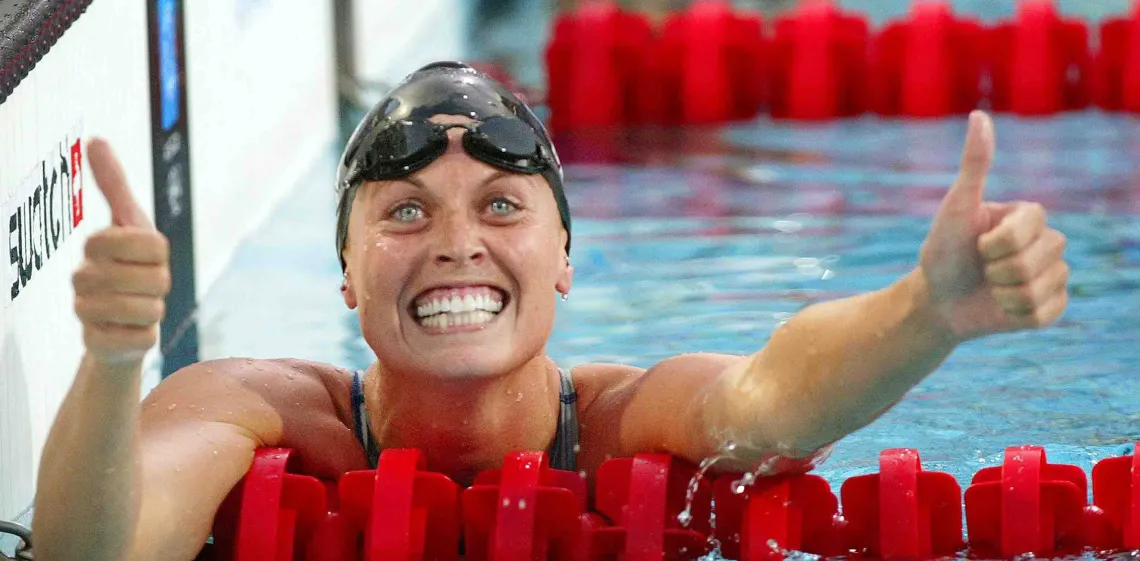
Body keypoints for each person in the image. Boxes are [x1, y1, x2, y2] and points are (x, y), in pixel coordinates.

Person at [32, 62, 1069, 561]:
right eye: (403, 212)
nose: (454, 243)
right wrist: (116, 358)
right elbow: (94, 552)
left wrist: (925, 313)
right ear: (344, 274)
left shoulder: (626, 422)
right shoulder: (250, 412)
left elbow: (773, 399)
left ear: (565, 257)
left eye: (500, 206)